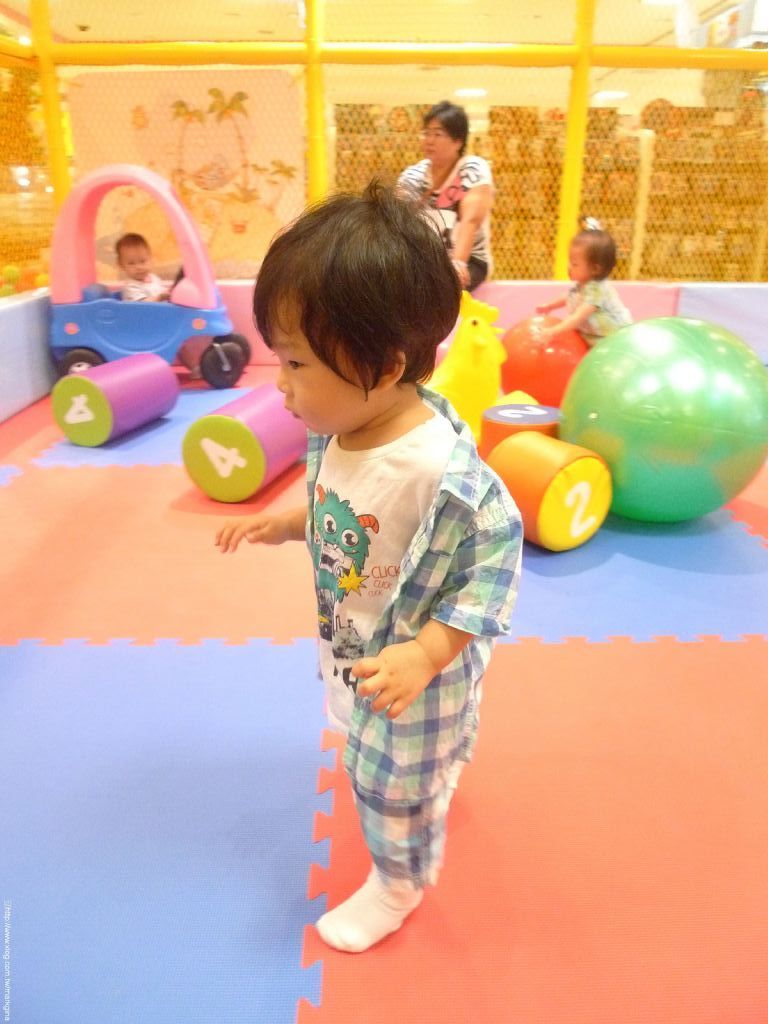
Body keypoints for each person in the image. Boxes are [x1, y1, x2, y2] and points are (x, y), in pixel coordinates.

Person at [215, 182, 522, 953]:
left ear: (382, 367)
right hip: (355, 647)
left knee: (386, 787)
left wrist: (427, 653)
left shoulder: (437, 472)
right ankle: (437, 772)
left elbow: (491, 566)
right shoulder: (337, 429)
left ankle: (396, 884)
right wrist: (287, 523)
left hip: (414, 671)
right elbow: (341, 510)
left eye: (295, 363)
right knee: (383, 749)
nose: (279, 384)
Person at [397, 101, 493, 292]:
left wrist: (457, 263)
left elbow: (470, 221)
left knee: (441, 286)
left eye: (438, 134)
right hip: (425, 261)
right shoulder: (412, 176)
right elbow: (397, 222)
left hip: (469, 260)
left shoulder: (472, 169)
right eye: (426, 133)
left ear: (458, 141)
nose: (429, 140)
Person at [115, 232, 203, 377]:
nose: (139, 267)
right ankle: (192, 366)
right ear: (121, 265)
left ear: (151, 259)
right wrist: (159, 297)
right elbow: (139, 306)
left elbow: (162, 293)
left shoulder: (153, 278)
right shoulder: (130, 286)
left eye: (143, 261)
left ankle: (195, 367)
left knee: (182, 339)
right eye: (131, 263)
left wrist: (171, 292)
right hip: (142, 327)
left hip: (157, 322)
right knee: (178, 340)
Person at [535, 226, 632, 346]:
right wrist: (550, 306)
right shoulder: (582, 285)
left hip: (615, 338)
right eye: (569, 261)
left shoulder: (597, 290)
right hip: (595, 336)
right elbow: (568, 296)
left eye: (575, 264)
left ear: (595, 269)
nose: (569, 267)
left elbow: (578, 317)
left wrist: (553, 331)